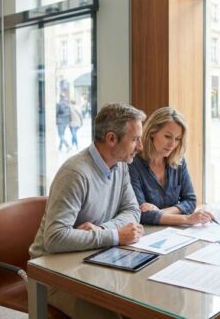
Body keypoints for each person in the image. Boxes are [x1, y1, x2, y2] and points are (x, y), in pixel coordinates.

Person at [29, 103, 146, 319]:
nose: (140, 146)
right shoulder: (75, 173)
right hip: (53, 274)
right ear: (111, 138)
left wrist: (102, 230)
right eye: (135, 139)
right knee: (111, 315)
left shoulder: (120, 166)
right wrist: (114, 235)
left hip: (92, 260)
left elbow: (132, 211)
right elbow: (54, 239)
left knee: (139, 305)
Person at [128, 107, 214, 225]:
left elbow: (191, 201)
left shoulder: (179, 162)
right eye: (167, 136)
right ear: (152, 132)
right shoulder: (132, 164)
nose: (172, 144)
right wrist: (186, 219)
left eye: (177, 139)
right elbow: (140, 213)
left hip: (174, 232)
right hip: (145, 234)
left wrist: (160, 212)